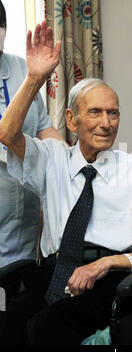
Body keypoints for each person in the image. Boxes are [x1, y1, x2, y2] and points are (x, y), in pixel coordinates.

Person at [0, 21, 132, 345]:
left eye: (113, 113)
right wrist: (35, 78)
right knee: (8, 324)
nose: (106, 123)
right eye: (95, 112)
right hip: (56, 272)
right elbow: (7, 134)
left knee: (43, 330)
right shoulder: (52, 160)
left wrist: (106, 263)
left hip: (109, 277)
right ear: (72, 120)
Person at [0, 1, 63, 267]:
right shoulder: (31, 77)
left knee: (21, 293)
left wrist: (74, 160)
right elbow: (6, 134)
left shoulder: (21, 69)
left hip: (25, 214)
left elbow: (43, 128)